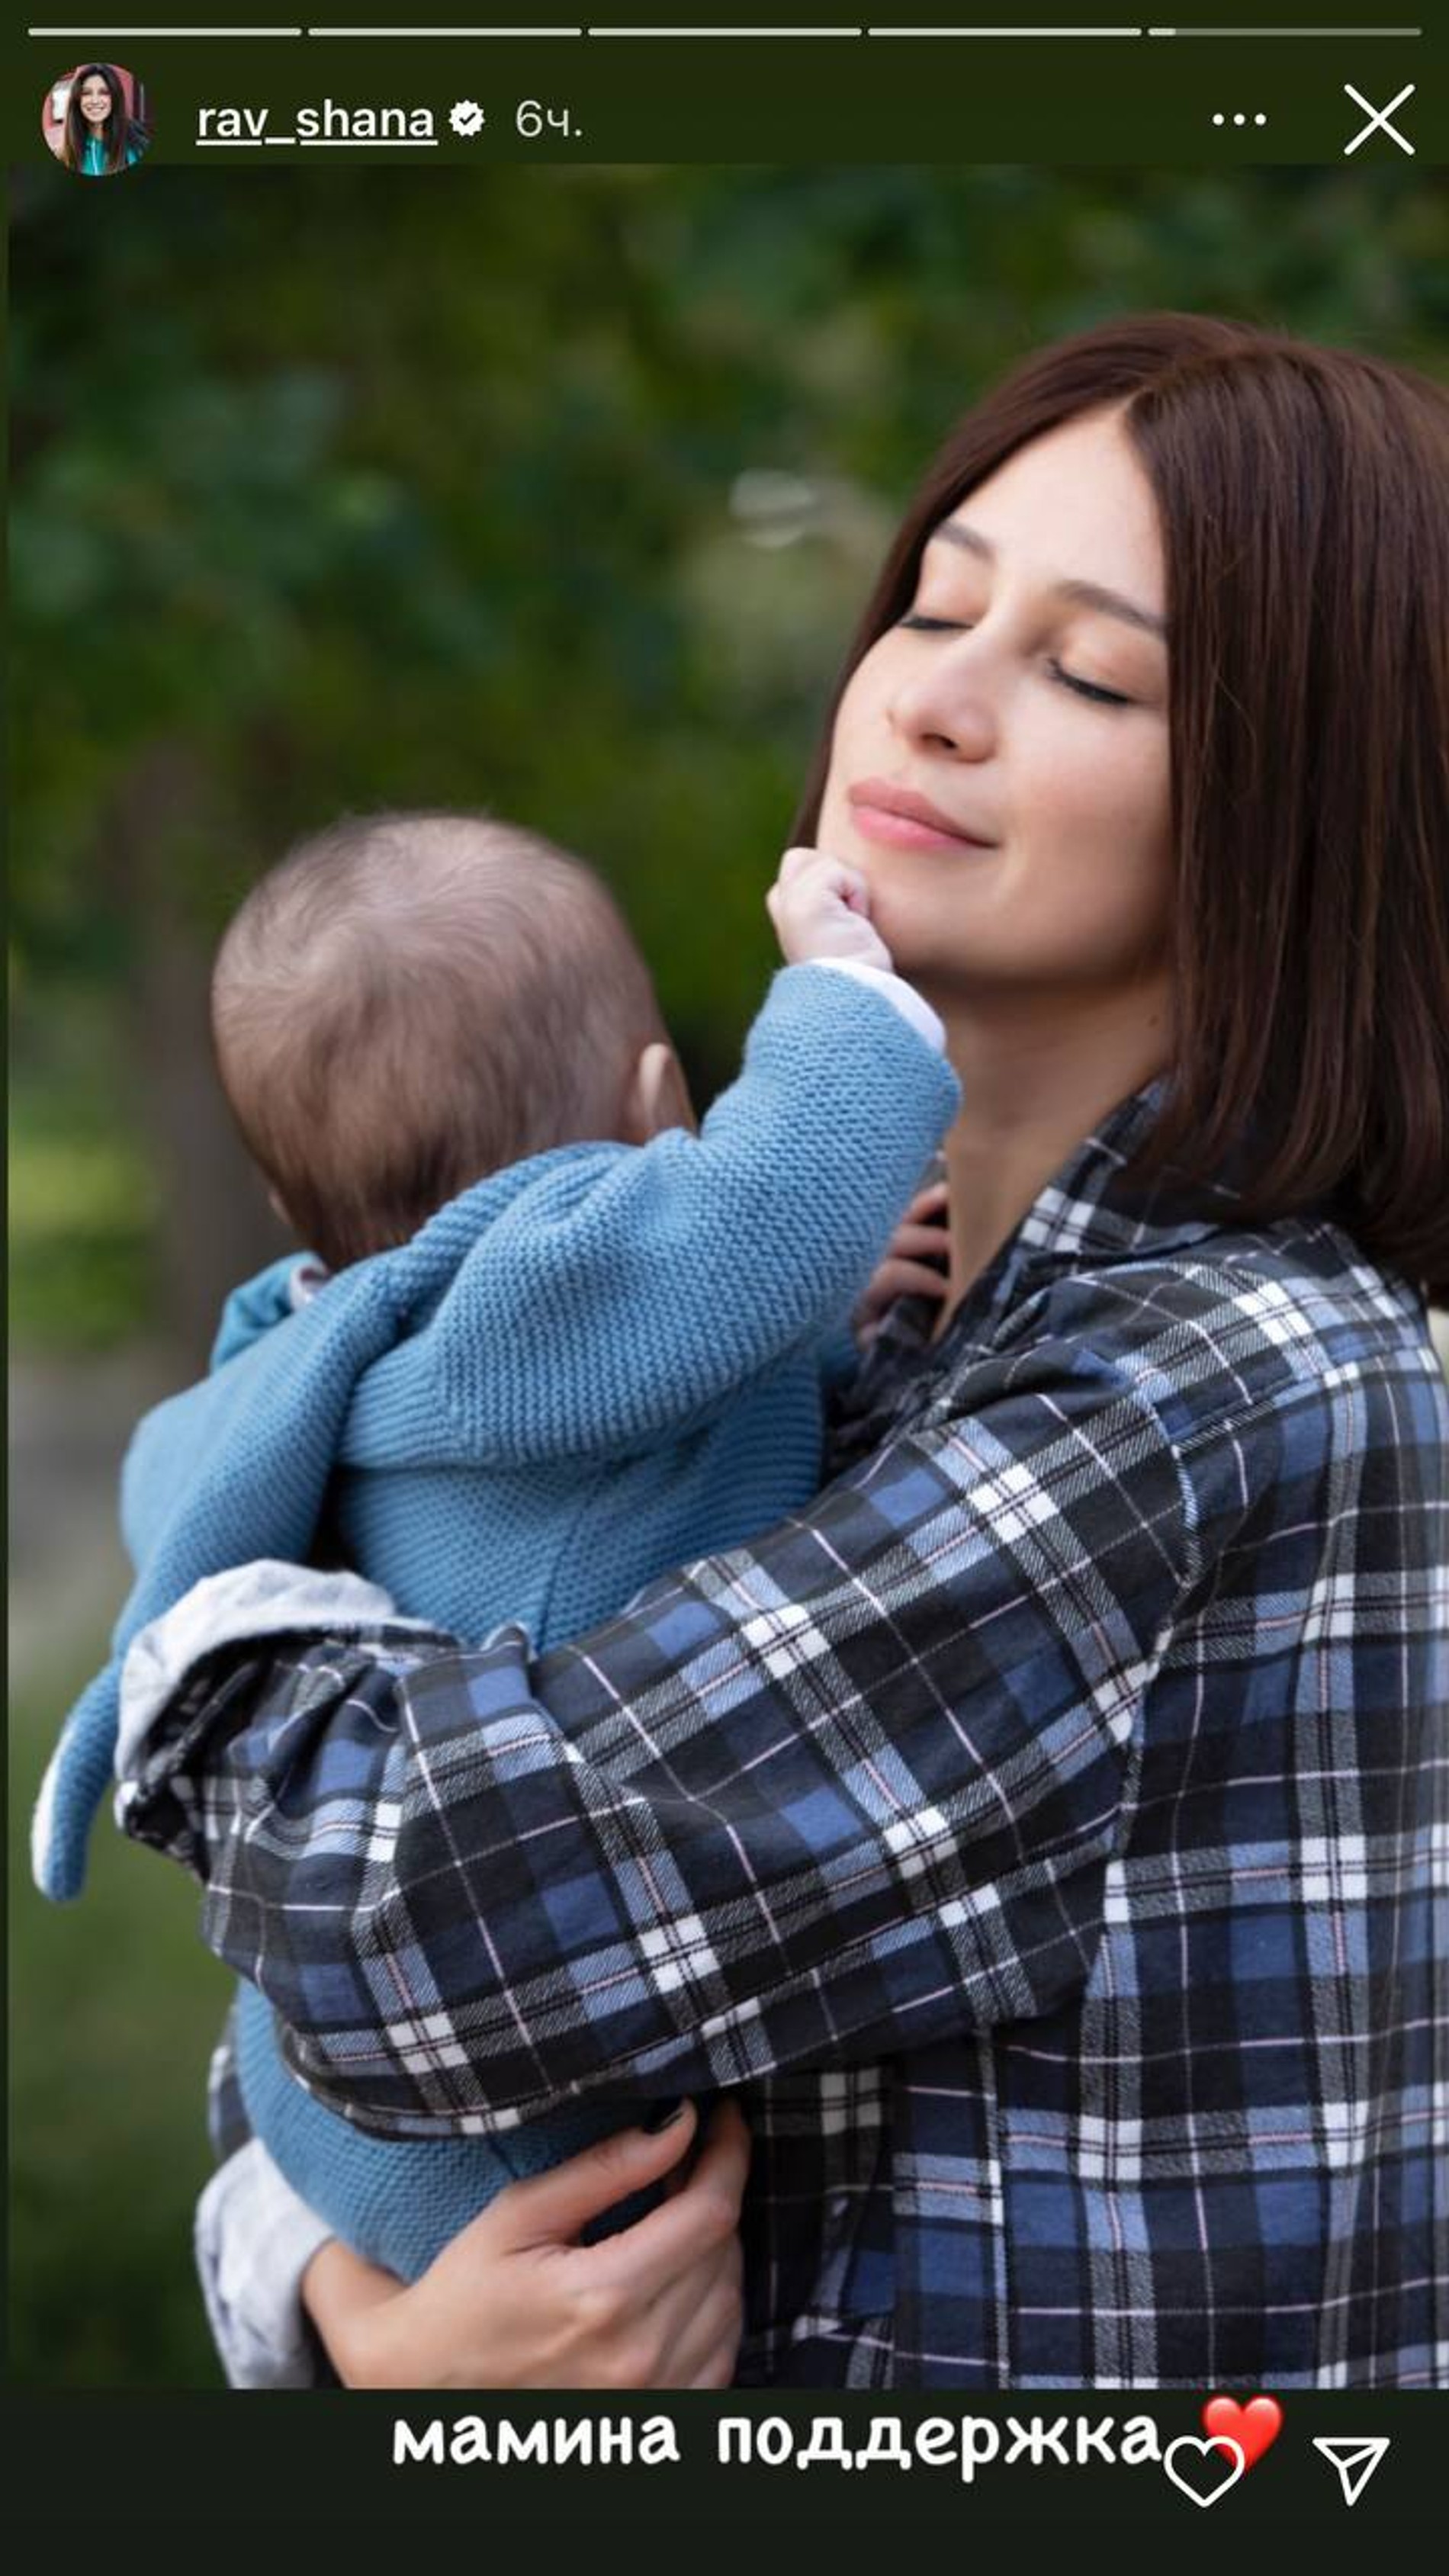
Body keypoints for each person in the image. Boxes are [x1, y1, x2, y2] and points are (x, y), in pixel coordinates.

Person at [117, 312, 1449, 2391]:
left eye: (1087, 670)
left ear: (1304, 811)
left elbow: (406, 1929)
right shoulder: (859, 1341)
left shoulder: (1209, 1379)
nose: (935, 696)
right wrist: (352, 2314)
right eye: (931, 603)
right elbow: (308, 2049)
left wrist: (213, 1591)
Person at [34, 810, 957, 2291]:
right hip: (547, 2135)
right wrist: (844, 994)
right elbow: (752, 1222)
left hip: (346, 2128)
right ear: (658, 1106)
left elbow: (669, 1384)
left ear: (290, 1206)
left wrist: (824, 1325)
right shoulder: (546, 1293)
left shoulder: (347, 1357)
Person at [58, 64, 149, 177]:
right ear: (77, 100)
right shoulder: (65, 155)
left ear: (115, 98)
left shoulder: (138, 146)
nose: (95, 101)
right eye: (86, 93)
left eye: (104, 92)